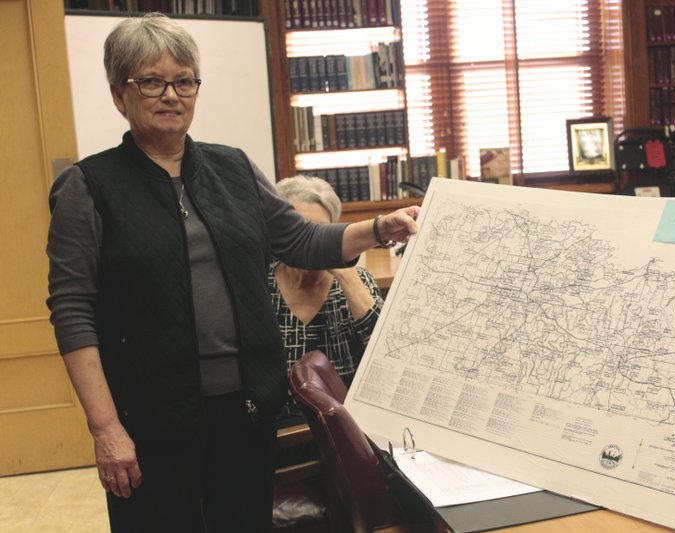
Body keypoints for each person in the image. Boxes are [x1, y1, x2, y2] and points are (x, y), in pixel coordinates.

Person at [45, 13, 418, 533]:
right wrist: (106, 428)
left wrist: (379, 227)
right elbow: (72, 312)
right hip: (149, 421)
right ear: (118, 94)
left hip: (245, 412)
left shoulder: (234, 168)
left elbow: (304, 239)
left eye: (184, 80)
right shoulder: (89, 186)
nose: (171, 94)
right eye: (150, 81)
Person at [269, 176, 383, 422]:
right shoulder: (262, 283)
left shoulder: (358, 280)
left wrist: (347, 277)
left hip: (347, 424)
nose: (310, 243)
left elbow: (384, 356)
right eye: (301, 232)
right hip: (278, 426)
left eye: (320, 231)